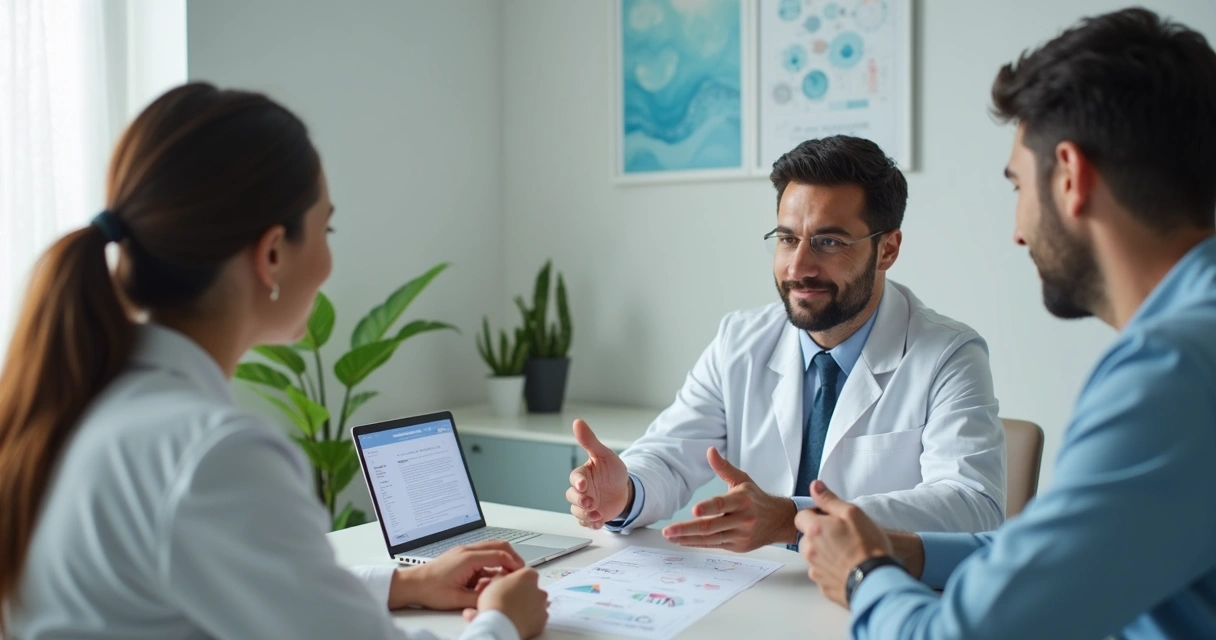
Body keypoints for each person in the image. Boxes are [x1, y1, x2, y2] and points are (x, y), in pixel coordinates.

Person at [0, 83, 548, 640]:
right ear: (271, 254)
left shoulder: (80, 402)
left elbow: (236, 577)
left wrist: (407, 583)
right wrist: (503, 621)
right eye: (326, 228)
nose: (331, 258)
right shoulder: (213, 454)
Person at [794, 8, 1216, 639]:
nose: (1018, 231)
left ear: (1070, 176)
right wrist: (911, 554)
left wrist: (863, 575)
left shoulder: (1173, 370)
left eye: (1019, 185)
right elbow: (1060, 561)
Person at [567, 136, 1007, 552]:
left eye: (828, 241)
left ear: (887, 249)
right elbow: (669, 455)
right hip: (761, 594)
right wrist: (625, 491)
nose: (799, 266)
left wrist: (791, 519)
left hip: (876, 594)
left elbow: (972, 506)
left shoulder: (949, 355)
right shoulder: (739, 341)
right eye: (787, 239)